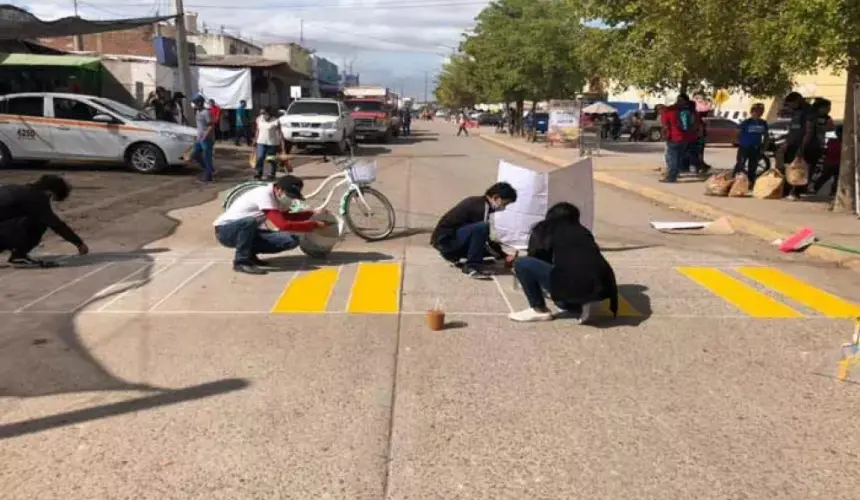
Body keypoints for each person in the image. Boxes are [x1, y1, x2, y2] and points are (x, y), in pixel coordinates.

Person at [509, 202, 618, 324]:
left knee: (522, 263)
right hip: (603, 287)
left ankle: (538, 309)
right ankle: (583, 302)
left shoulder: (546, 229)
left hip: (574, 284)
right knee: (568, 289)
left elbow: (537, 258)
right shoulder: (583, 231)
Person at [214, 176, 330, 275]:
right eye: (289, 195)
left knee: (291, 240)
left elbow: (287, 217)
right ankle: (241, 261)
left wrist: (312, 213)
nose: (290, 199)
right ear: (279, 189)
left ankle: (250, 254)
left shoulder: (279, 199)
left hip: (248, 232)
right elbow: (282, 225)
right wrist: (313, 225)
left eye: (293, 196)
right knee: (249, 222)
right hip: (225, 232)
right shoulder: (264, 194)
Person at [430, 182, 517, 278]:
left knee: (486, 250)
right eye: (505, 203)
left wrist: (500, 255)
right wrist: (504, 256)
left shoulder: (478, 202)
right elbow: (485, 239)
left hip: (446, 241)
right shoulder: (481, 207)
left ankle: (453, 256)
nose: (504, 207)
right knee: (482, 228)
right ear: (496, 198)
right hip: (446, 242)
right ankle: (472, 267)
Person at [0, 175, 89, 268]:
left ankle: (17, 253)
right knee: (40, 221)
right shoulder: (37, 198)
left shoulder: (20, 190)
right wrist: (79, 243)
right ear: (50, 192)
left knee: (31, 217)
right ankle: (19, 255)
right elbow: (56, 224)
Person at [780, 92, 819, 200]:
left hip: (804, 145)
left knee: (800, 169)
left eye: (792, 104)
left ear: (799, 100)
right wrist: (787, 142)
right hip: (792, 144)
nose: (790, 107)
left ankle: (796, 192)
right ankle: (787, 192)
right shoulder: (796, 111)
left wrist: (802, 148)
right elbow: (793, 129)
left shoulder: (809, 111)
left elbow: (809, 131)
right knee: (789, 167)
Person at [659, 94, 695, 183]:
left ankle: (671, 177)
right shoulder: (686, 111)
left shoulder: (667, 112)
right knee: (679, 158)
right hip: (684, 138)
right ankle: (675, 175)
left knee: (672, 158)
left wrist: (664, 136)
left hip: (673, 138)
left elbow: (665, 127)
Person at [734, 103, 769, 188]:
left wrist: (764, 147)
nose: (759, 113)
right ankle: (735, 182)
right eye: (757, 111)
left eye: (761, 111)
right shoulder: (746, 122)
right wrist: (740, 142)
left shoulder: (763, 123)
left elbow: (766, 135)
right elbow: (738, 133)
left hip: (756, 148)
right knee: (740, 165)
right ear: (752, 112)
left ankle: (750, 183)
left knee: (753, 167)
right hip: (745, 147)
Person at [191, 94, 215, 182]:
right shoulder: (197, 112)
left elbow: (210, 126)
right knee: (195, 154)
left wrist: (205, 136)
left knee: (207, 157)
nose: (194, 104)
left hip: (206, 139)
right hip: (199, 139)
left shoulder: (206, 112)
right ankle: (208, 169)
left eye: (195, 103)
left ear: (200, 102)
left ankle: (208, 176)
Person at [813, 123, 842, 197]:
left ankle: (816, 188)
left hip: (829, 163)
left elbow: (825, 152)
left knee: (825, 177)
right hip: (837, 164)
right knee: (836, 178)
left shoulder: (831, 141)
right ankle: (832, 192)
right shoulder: (842, 143)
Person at [254, 106, 282, 181]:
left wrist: (281, 144)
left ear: (270, 114)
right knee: (260, 157)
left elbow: (279, 133)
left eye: (266, 114)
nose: (265, 116)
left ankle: (272, 173)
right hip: (261, 142)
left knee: (271, 159)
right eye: (264, 114)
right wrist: (255, 140)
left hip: (272, 143)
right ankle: (258, 173)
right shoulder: (259, 119)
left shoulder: (275, 121)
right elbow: (257, 130)